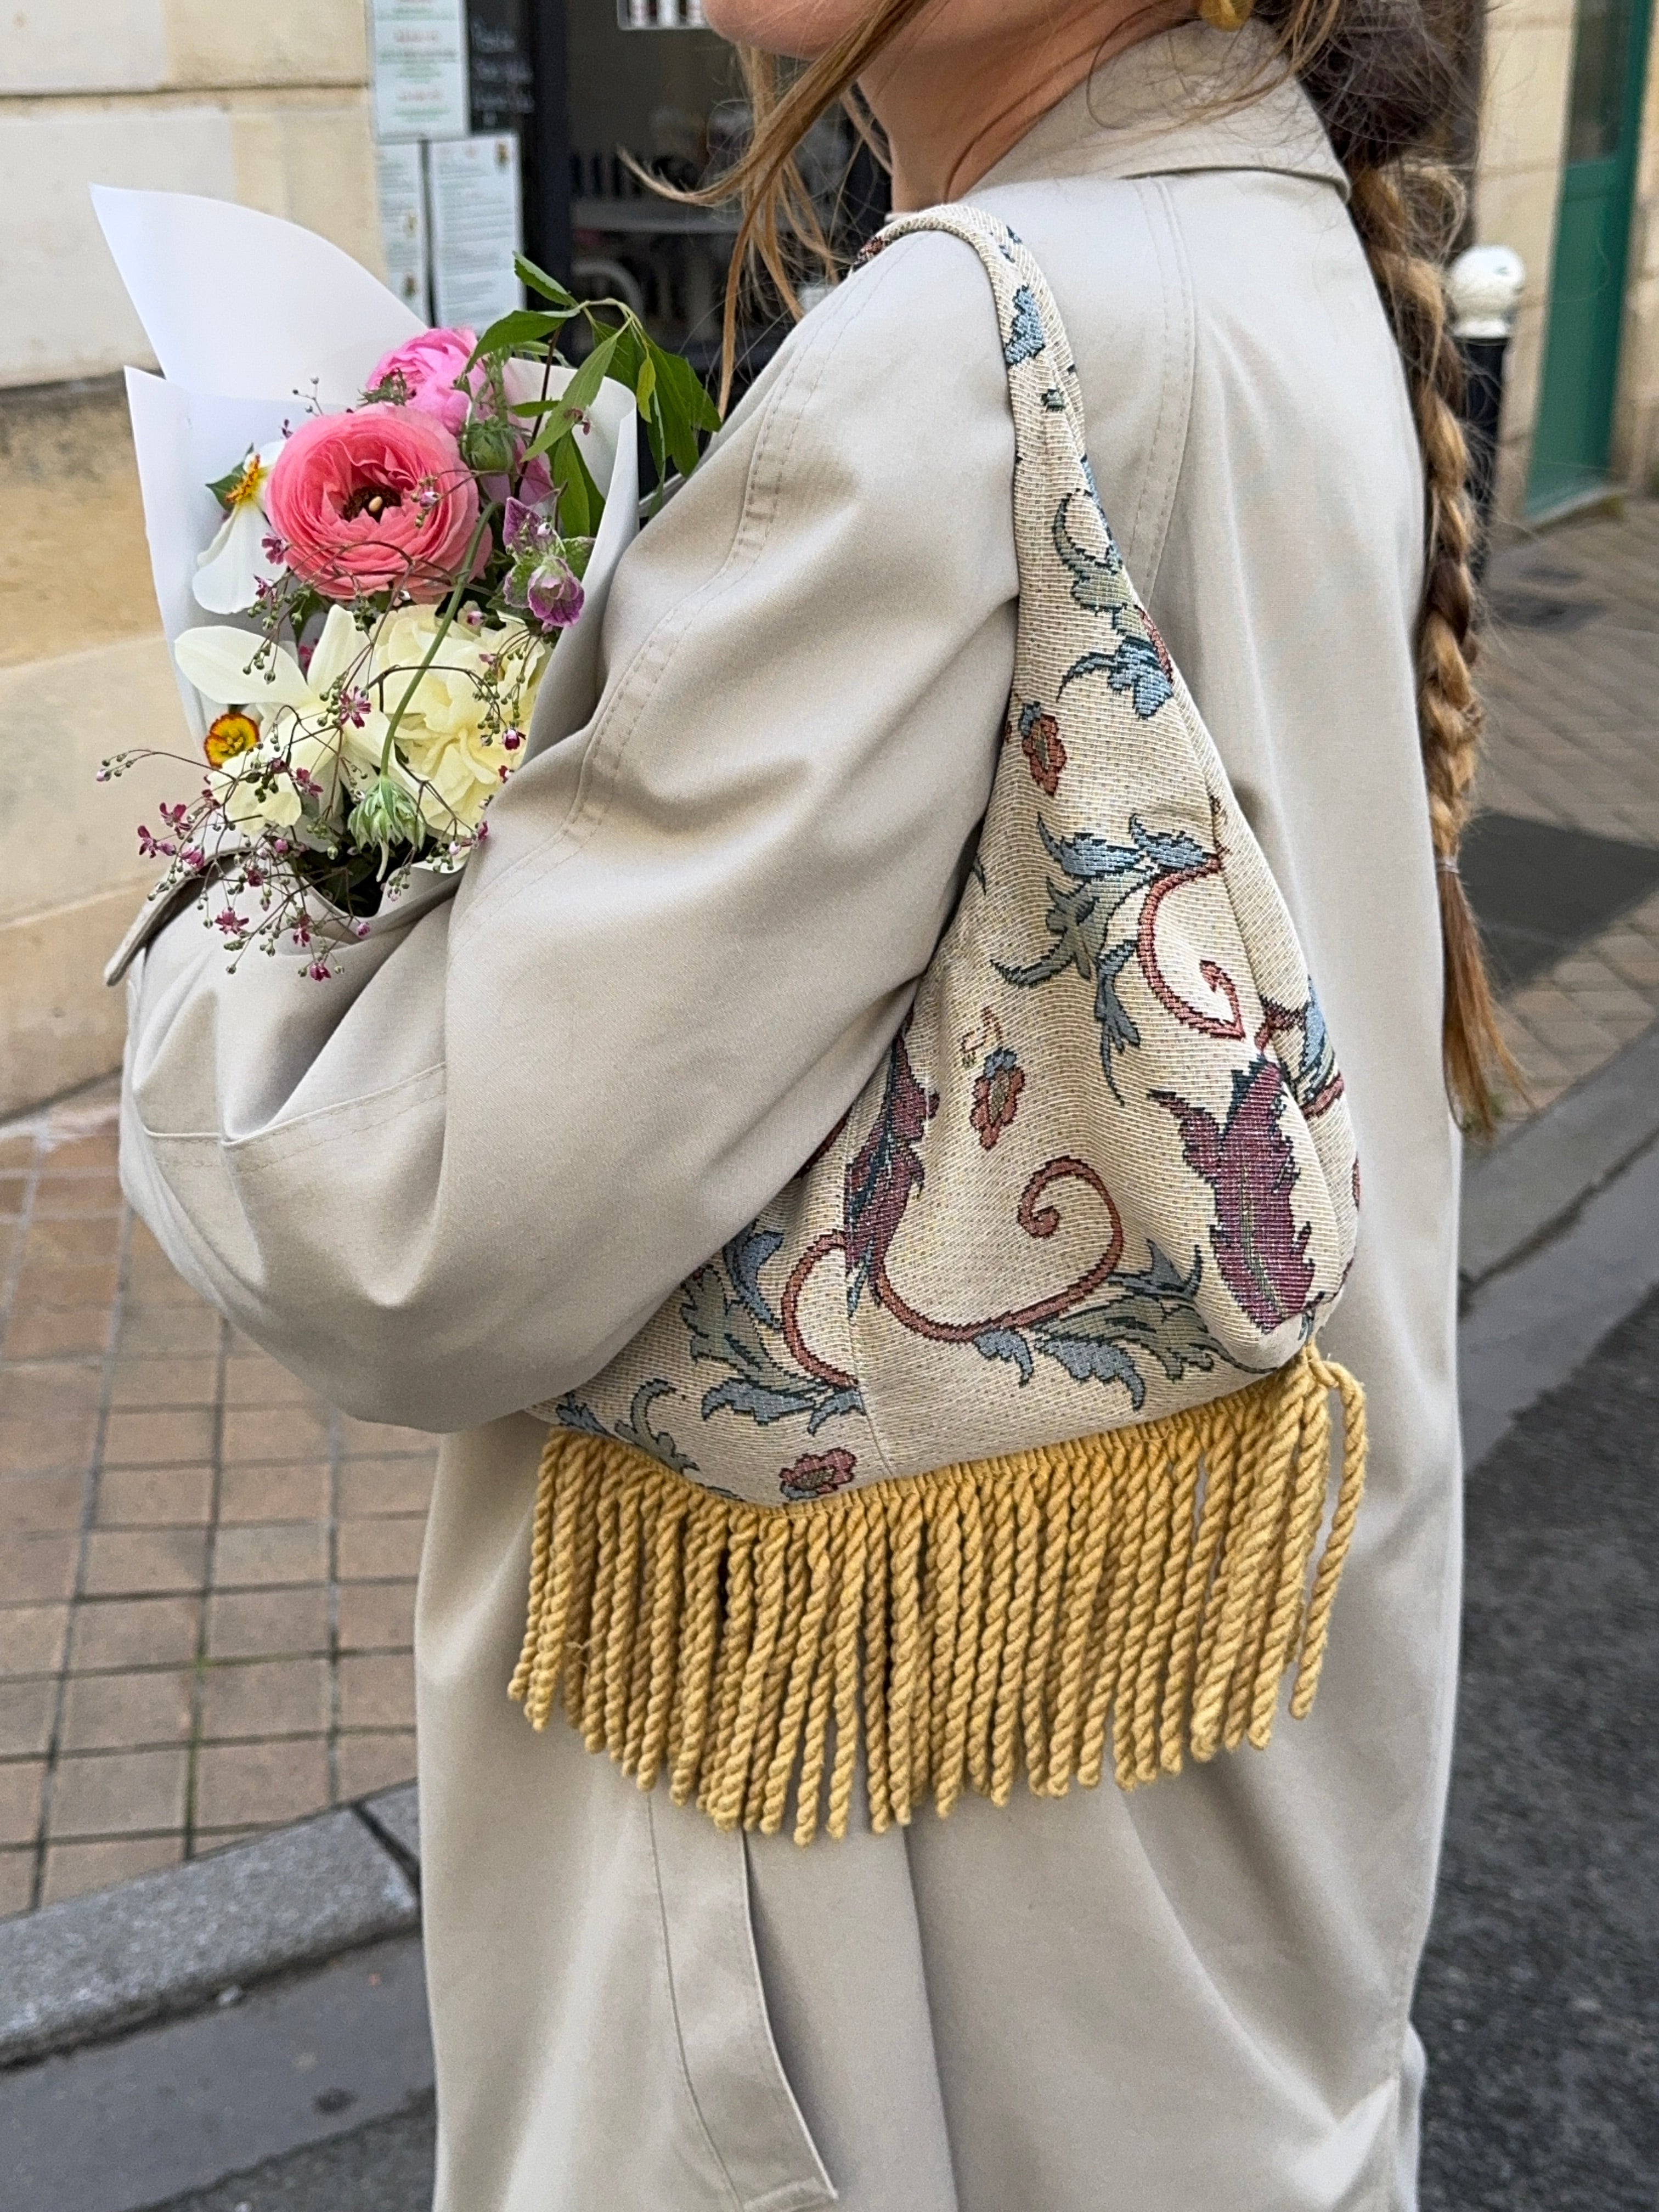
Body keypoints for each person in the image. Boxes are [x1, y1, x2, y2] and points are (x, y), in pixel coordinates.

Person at [118, 0, 1497, 2203]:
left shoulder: (962, 342)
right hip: (1180, 1850)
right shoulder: (1272, 238)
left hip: (862, 1944)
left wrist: (301, 796)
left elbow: (394, 1221)